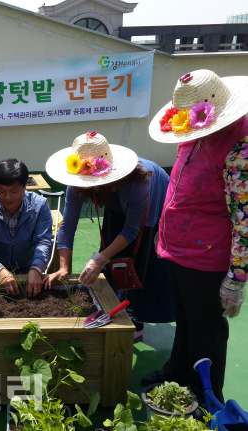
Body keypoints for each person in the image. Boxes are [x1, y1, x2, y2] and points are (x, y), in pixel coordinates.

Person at [143, 69, 248, 404]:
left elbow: (244, 218)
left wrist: (237, 276)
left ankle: (208, 397)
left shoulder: (239, 147)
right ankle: (178, 369)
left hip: (207, 253)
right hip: (177, 246)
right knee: (185, 318)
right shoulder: (191, 130)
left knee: (207, 329)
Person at [43, 132, 174, 340]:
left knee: (139, 255)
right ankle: (114, 305)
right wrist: (64, 267)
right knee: (112, 246)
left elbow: (132, 230)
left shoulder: (138, 185)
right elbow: (67, 226)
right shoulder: (77, 182)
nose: (83, 184)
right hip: (115, 198)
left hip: (153, 201)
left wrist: (100, 258)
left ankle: (135, 320)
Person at [0, 158, 53, 298]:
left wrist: (36, 269)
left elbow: (43, 241)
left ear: (25, 186)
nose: (7, 197)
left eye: (14, 191)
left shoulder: (40, 205)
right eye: (1, 191)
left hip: (27, 271)